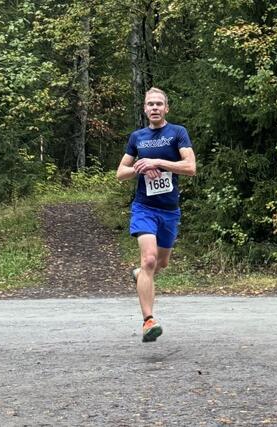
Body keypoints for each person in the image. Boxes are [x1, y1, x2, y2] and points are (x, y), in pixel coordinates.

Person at [116, 87, 196, 342]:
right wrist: (139, 167)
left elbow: (190, 167)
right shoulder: (137, 137)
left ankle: (140, 276)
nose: (154, 108)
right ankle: (149, 321)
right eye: (150, 104)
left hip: (169, 211)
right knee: (149, 260)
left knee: (161, 263)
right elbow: (120, 173)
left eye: (159, 104)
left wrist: (157, 163)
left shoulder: (177, 133)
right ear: (144, 109)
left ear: (166, 108)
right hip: (144, 208)